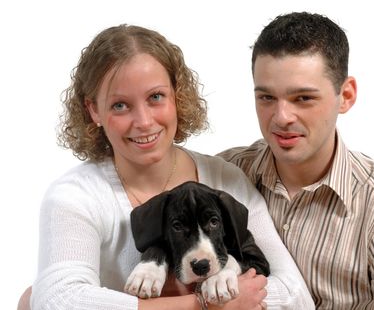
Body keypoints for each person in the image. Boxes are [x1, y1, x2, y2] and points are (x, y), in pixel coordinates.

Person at [26, 24, 314, 310]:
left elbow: (295, 295)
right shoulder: (75, 196)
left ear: (177, 95)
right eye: (120, 105)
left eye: (155, 97)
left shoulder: (225, 179)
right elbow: (56, 301)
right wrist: (206, 306)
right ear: (94, 110)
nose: (144, 122)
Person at [218, 12, 374, 309]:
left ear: (346, 96)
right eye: (267, 98)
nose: (282, 117)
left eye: (303, 98)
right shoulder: (227, 173)